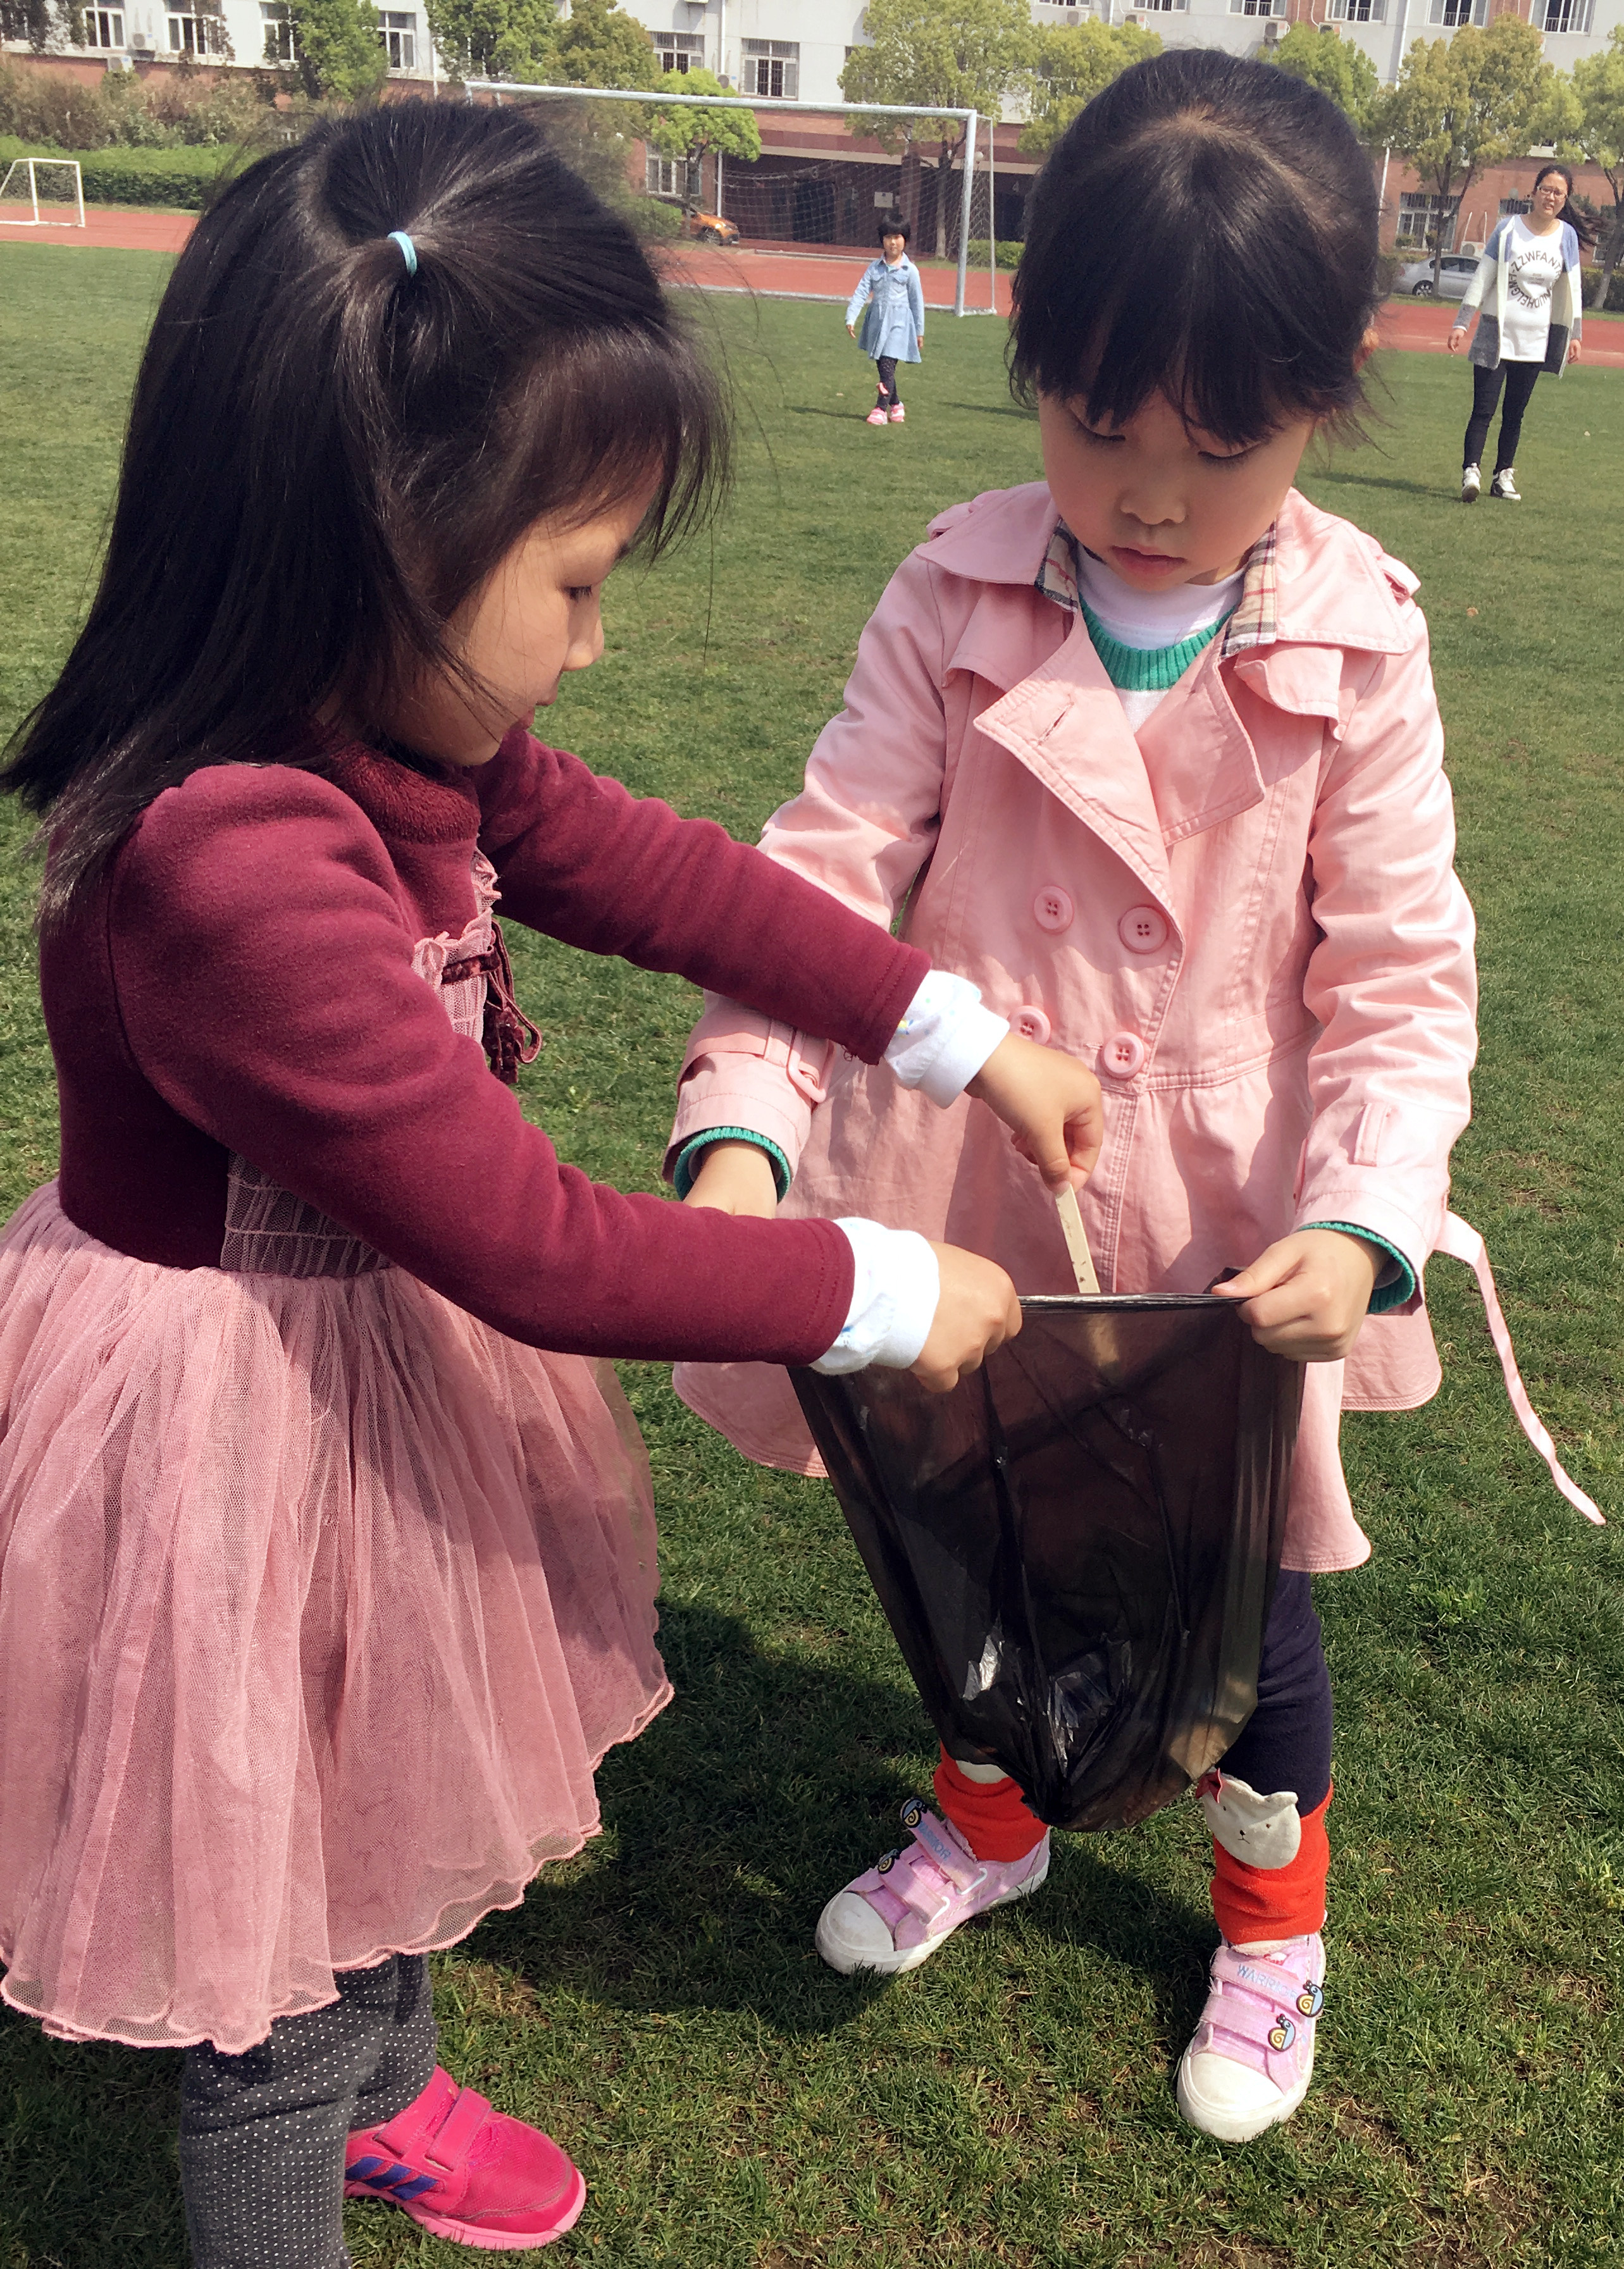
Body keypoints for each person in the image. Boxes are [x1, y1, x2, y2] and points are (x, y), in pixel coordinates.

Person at [0, 102, 1105, 2268]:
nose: (594, 643)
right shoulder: (228, 858)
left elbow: (661, 873)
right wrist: (880, 1285)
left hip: (360, 1358)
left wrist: (955, 1033)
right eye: (576, 582)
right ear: (378, 547)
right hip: (216, 1426)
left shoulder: (401, 725)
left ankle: (385, 2082)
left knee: (375, 1770)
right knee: (265, 1951)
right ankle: (305, 2139)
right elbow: (531, 1240)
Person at [671, 51, 1483, 2146]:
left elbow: (1398, 978)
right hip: (967, 1212)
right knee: (970, 1550)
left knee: (1243, 1605)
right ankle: (990, 1813)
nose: (1144, 490)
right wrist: (740, 1118)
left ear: (1317, 400)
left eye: (1215, 444)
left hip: (1227, 1247)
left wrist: (1364, 1216)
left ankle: (1270, 1921)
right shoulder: (949, 591)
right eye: (1095, 419)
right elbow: (817, 883)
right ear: (1029, 358)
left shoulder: (1356, 643)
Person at [1449, 162, 1593, 504]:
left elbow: (1573, 288)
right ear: (1534, 191)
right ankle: (1471, 472)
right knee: (1483, 410)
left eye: (1559, 193)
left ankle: (1503, 476)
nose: (1551, 197)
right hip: (1496, 336)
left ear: (1565, 199)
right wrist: (1462, 322)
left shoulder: (1566, 237)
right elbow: (1483, 276)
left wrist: (1575, 334)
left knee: (1515, 414)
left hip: (1535, 342)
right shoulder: (1508, 228)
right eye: (1546, 189)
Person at [845, 216, 925, 426]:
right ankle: (896, 404)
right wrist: (851, 317)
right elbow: (861, 292)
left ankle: (880, 408)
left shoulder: (910, 271)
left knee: (888, 364)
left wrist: (919, 331)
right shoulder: (874, 268)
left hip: (899, 326)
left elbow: (917, 302)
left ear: (905, 240)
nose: (893, 242)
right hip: (877, 325)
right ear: (882, 240)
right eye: (888, 237)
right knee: (884, 368)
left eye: (897, 237)